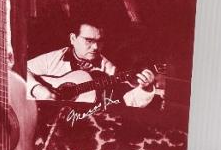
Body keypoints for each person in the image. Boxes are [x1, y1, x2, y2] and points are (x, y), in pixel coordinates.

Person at [27, 18, 155, 107]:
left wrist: (146, 88)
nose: (95, 47)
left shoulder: (109, 70)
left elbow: (127, 102)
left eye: (100, 41)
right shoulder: (55, 58)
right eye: (89, 41)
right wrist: (36, 89)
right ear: (73, 39)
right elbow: (18, 70)